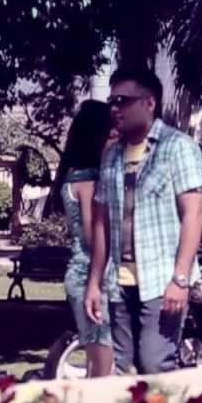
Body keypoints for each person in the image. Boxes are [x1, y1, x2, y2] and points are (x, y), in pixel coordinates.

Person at [84, 67, 202, 374]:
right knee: (121, 371)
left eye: (123, 101)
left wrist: (180, 279)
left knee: (155, 366)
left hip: (161, 282)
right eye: (112, 101)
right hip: (119, 284)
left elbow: (193, 214)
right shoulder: (111, 156)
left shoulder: (177, 147)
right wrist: (94, 283)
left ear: (149, 103)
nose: (115, 109)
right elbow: (102, 224)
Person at [49, 100, 116, 377]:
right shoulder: (89, 180)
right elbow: (92, 234)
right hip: (92, 277)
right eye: (111, 133)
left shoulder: (70, 176)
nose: (116, 138)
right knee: (104, 367)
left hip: (79, 273)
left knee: (95, 364)